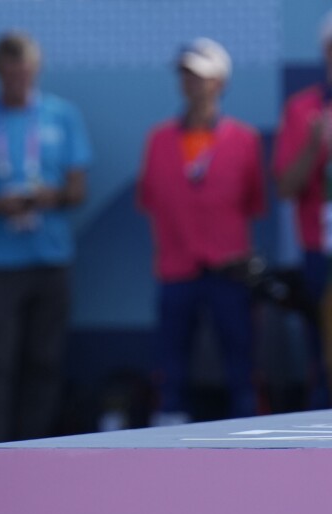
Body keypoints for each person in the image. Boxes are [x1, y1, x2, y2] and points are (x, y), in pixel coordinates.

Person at [0, 31, 92, 445]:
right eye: (9, 70)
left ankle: (35, 454)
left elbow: (78, 189)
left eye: (25, 69)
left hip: (50, 257)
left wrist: (50, 197)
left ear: (36, 69)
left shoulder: (62, 115)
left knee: (45, 362)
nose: (18, 77)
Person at [137, 40, 265, 424]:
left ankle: (249, 434)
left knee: (240, 361)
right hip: (177, 268)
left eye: (201, 77)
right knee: (171, 363)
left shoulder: (244, 140)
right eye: (185, 76)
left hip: (230, 269)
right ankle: (168, 430)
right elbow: (149, 199)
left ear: (219, 82)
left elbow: (253, 201)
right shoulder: (158, 139)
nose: (192, 84)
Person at [271, 11, 332, 408]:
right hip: (320, 250)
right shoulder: (302, 109)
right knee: (323, 353)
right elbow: (286, 187)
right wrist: (314, 145)